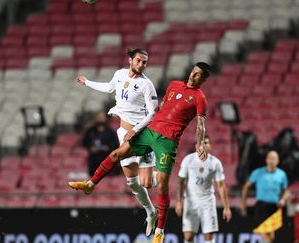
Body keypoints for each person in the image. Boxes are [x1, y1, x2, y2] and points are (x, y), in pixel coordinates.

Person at [69, 62, 212, 243]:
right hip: (149, 132)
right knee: (116, 154)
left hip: (167, 142)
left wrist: (199, 144)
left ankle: (159, 230)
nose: (193, 76)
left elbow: (201, 124)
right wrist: (140, 124)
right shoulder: (174, 85)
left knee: (161, 184)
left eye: (198, 75)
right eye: (193, 72)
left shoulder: (200, 98)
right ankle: (90, 185)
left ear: (204, 79)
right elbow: (160, 107)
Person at [76, 48, 159, 236]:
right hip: (125, 133)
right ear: (130, 60)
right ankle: (151, 212)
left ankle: (162, 176)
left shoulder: (147, 85)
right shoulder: (120, 74)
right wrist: (87, 82)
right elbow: (109, 87)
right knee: (134, 182)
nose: (141, 64)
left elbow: (153, 113)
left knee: (141, 179)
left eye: (145, 62)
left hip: (142, 134)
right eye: (139, 60)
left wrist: (136, 130)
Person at [175, 135, 232, 243]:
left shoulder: (215, 163)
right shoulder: (188, 160)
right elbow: (181, 182)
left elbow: (221, 185)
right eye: (202, 143)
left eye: (207, 143)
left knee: (209, 235)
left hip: (207, 201)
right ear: (197, 146)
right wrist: (178, 201)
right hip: (191, 201)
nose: (205, 145)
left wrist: (226, 207)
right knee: (188, 236)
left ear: (210, 146)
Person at [240, 150, 289, 243]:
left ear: (278, 161)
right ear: (266, 160)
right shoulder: (258, 172)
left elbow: (286, 191)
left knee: (271, 234)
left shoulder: (282, 174)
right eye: (270, 158)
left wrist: (283, 199)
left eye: (274, 158)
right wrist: (243, 203)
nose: (272, 160)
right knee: (266, 232)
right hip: (261, 206)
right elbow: (246, 187)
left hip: (275, 206)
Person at [82, 111, 120, 176]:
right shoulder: (90, 131)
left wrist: (107, 148)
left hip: (107, 161)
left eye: (102, 117)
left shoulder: (110, 132)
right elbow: (85, 142)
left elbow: (115, 145)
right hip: (94, 162)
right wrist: (90, 148)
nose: (101, 119)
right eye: (99, 117)